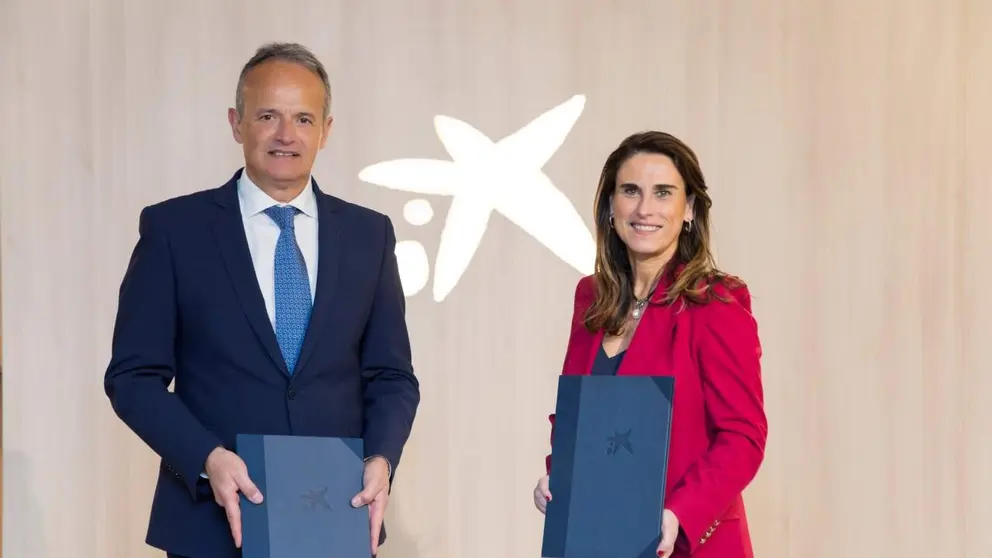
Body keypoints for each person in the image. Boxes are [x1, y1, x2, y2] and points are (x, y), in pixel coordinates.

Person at [104, 42, 420, 558]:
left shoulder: (369, 235)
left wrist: (382, 458)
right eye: (268, 115)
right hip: (209, 525)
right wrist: (206, 457)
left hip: (337, 518)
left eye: (303, 118)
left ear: (327, 129)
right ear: (236, 122)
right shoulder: (174, 231)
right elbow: (131, 377)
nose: (285, 135)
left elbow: (391, 376)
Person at [532, 131, 767, 558]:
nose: (645, 209)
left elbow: (743, 436)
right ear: (610, 206)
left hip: (686, 545)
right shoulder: (591, 297)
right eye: (630, 191)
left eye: (663, 193)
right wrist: (559, 476)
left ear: (689, 208)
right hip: (595, 540)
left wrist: (681, 513)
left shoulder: (716, 303)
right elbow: (576, 417)